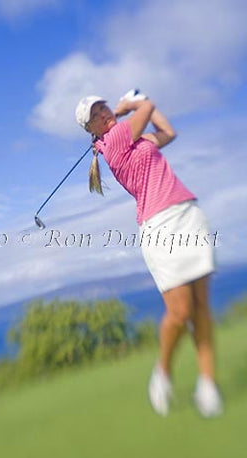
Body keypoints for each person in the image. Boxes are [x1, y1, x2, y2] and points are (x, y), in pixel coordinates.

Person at [75, 91, 223, 417]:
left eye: (104, 107)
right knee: (180, 311)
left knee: (201, 308)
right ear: (93, 130)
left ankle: (208, 384)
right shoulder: (113, 140)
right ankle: (162, 373)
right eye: (96, 115)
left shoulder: (136, 141)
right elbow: (148, 108)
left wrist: (138, 106)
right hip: (160, 226)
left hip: (187, 213)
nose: (103, 114)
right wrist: (132, 103)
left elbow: (169, 133)